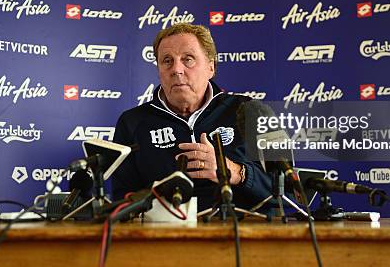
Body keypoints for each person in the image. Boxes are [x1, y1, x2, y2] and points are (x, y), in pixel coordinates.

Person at [112, 23, 273, 212]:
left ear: (211, 67)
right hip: (165, 236)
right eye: (167, 61)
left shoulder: (254, 111)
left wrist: (235, 173)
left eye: (188, 59)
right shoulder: (131, 123)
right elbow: (123, 203)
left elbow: (288, 190)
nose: (176, 69)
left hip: (246, 233)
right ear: (159, 70)